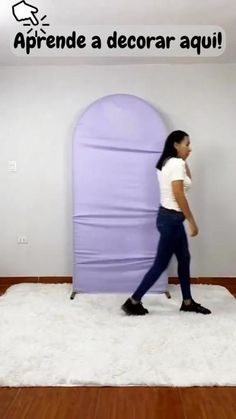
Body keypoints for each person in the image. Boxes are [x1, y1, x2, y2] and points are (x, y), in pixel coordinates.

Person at [121, 130, 211, 315]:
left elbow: (188, 183)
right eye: (187, 144)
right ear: (176, 145)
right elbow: (179, 194)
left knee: (184, 259)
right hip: (171, 220)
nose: (190, 148)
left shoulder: (167, 163)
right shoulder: (176, 164)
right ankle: (133, 301)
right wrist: (192, 221)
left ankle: (187, 302)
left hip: (169, 219)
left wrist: (184, 160)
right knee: (160, 264)